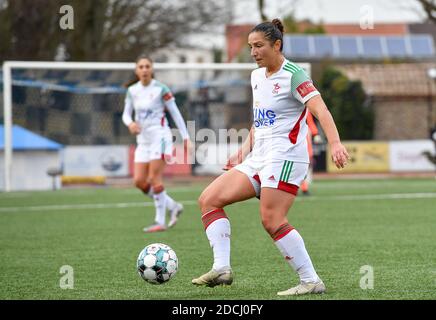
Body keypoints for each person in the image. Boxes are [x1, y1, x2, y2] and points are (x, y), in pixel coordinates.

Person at [191, 19, 349, 295]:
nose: (253, 52)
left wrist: (335, 143)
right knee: (209, 200)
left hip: (286, 157)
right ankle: (222, 268)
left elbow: (321, 111)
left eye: (259, 46)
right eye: (250, 46)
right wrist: (243, 150)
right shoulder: (256, 76)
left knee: (272, 219)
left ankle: (310, 280)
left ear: (277, 45)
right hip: (259, 157)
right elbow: (261, 120)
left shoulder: (294, 74)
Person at [122, 56, 191, 233]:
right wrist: (130, 124)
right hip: (143, 141)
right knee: (139, 181)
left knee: (154, 178)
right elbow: (126, 114)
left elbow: (175, 114)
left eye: (147, 66)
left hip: (161, 138)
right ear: (136, 70)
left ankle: (159, 221)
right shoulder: (132, 91)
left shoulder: (161, 89)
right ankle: (173, 206)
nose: (144, 69)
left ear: (151, 69)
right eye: (141, 67)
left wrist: (186, 138)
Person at [300, 111, 323, 195]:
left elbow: (309, 121)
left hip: (303, 134)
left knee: (306, 160)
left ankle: (304, 187)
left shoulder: (306, 108)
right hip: (290, 135)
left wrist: (315, 133)